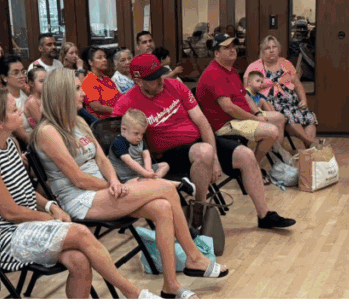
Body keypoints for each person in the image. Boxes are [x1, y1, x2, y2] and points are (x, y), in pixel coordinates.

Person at [34, 69, 225, 297]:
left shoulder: (78, 122)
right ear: (61, 94)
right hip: (80, 198)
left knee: (163, 207)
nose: (83, 93)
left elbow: (103, 159)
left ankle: (170, 286)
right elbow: (77, 178)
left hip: (104, 189)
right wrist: (111, 186)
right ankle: (193, 257)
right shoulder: (47, 131)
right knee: (165, 187)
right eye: (76, 89)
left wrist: (114, 180)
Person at [0, 88, 160, 299]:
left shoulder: (9, 143)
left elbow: (24, 193)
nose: (20, 110)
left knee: (79, 260)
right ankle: (134, 294)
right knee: (81, 232)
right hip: (5, 237)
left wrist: (51, 206)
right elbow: (10, 213)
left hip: (27, 225)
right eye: (13, 110)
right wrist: (51, 217)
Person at [113, 53, 295, 231]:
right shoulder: (126, 103)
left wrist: (215, 159)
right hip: (168, 154)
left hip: (199, 143)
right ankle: (199, 208)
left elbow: (202, 122)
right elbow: (120, 140)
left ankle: (264, 215)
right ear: (138, 81)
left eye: (160, 75)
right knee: (204, 151)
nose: (160, 81)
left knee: (246, 155)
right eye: (153, 79)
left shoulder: (175, 86)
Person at [195, 33, 286, 179]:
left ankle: (275, 161)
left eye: (233, 47)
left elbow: (246, 97)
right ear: (216, 53)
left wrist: (257, 114)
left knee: (279, 118)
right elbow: (229, 108)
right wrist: (256, 120)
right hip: (225, 124)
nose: (233, 50)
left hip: (239, 118)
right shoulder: (214, 73)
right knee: (272, 131)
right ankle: (252, 170)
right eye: (227, 48)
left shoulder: (230, 70)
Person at [245, 34, 320, 148]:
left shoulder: (286, 63)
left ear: (278, 49)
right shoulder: (254, 67)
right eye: (267, 48)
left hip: (292, 102)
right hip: (271, 104)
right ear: (262, 51)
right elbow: (247, 91)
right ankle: (310, 143)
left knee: (310, 117)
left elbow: (298, 85)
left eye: (274, 47)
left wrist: (303, 100)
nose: (271, 51)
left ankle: (309, 150)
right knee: (288, 115)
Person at [109, 109, 170, 184]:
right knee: (136, 182)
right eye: (136, 133)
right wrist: (145, 173)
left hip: (143, 171)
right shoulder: (118, 142)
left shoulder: (138, 140)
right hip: (129, 177)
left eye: (142, 134)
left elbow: (146, 155)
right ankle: (153, 181)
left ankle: (155, 179)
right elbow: (129, 162)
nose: (139, 137)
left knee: (165, 165)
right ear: (124, 129)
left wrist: (148, 169)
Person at [80, 48, 121, 118]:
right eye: (100, 58)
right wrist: (119, 110)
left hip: (117, 117)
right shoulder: (88, 81)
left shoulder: (107, 79)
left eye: (105, 57)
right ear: (91, 62)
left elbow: (119, 99)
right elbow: (97, 108)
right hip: (103, 123)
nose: (104, 60)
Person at [22, 66, 46, 135]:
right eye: (41, 81)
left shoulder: (44, 98)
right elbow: (42, 124)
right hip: (40, 136)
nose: (45, 84)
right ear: (31, 83)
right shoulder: (31, 101)